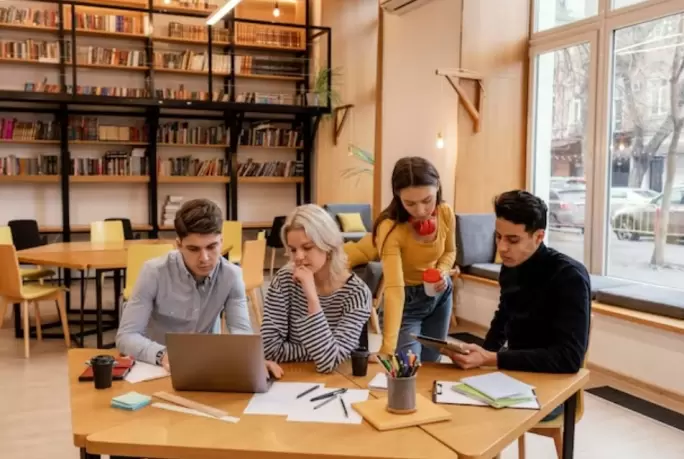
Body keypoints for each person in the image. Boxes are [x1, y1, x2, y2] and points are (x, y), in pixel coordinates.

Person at [116, 198, 283, 379]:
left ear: (222, 241)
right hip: (155, 369)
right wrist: (163, 354)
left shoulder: (231, 276)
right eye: (194, 249)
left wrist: (252, 360)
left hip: (204, 369)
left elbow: (241, 335)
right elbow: (126, 336)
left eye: (212, 247)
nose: (204, 258)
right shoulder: (153, 272)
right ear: (179, 245)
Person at [445, 190, 591, 376]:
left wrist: (491, 358)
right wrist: (480, 357)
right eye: (498, 236)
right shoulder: (512, 265)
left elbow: (568, 359)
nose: (502, 248)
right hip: (517, 371)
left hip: (554, 380)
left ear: (538, 237)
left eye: (513, 240)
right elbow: (503, 318)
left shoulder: (569, 277)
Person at [365, 156, 458, 362]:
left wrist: (442, 271)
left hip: (439, 294)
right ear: (398, 197)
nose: (421, 211)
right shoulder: (390, 228)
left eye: (427, 200)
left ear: (438, 188)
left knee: (432, 363)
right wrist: (387, 348)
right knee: (408, 365)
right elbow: (394, 289)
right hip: (406, 302)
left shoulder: (445, 212)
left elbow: (450, 251)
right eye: (410, 203)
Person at [260, 204, 372, 373]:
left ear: (328, 245)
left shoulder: (357, 294)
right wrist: (324, 349)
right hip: (289, 378)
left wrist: (312, 297)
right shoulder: (284, 280)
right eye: (292, 249)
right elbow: (268, 349)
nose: (298, 257)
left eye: (307, 248)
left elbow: (328, 362)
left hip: (337, 383)